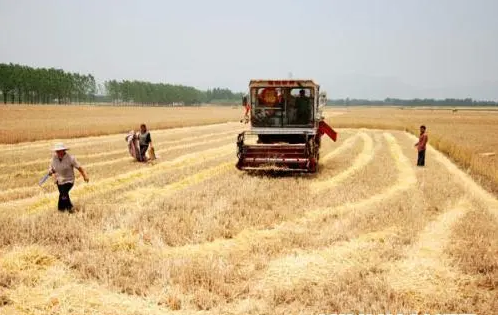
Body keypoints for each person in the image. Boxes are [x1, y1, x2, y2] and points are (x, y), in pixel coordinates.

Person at [48, 142, 89, 212]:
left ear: (64, 150)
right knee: (64, 195)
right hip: (59, 181)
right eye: (57, 151)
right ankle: (70, 208)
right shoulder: (54, 159)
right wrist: (51, 172)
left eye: (59, 151)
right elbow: (52, 168)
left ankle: (61, 210)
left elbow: (79, 167)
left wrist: (85, 175)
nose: (58, 152)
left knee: (63, 195)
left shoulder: (71, 158)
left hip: (68, 180)